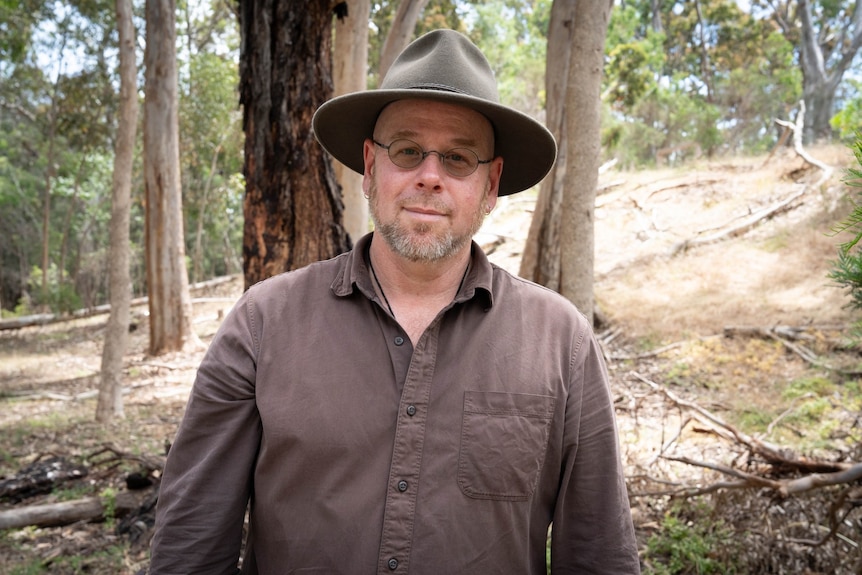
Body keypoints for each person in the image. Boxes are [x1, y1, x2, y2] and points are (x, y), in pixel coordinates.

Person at [149, 29, 640, 574]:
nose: (430, 177)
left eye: (458, 158)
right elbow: (190, 544)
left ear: (492, 183)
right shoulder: (264, 323)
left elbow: (600, 556)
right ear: (370, 166)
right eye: (407, 151)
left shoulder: (561, 341)